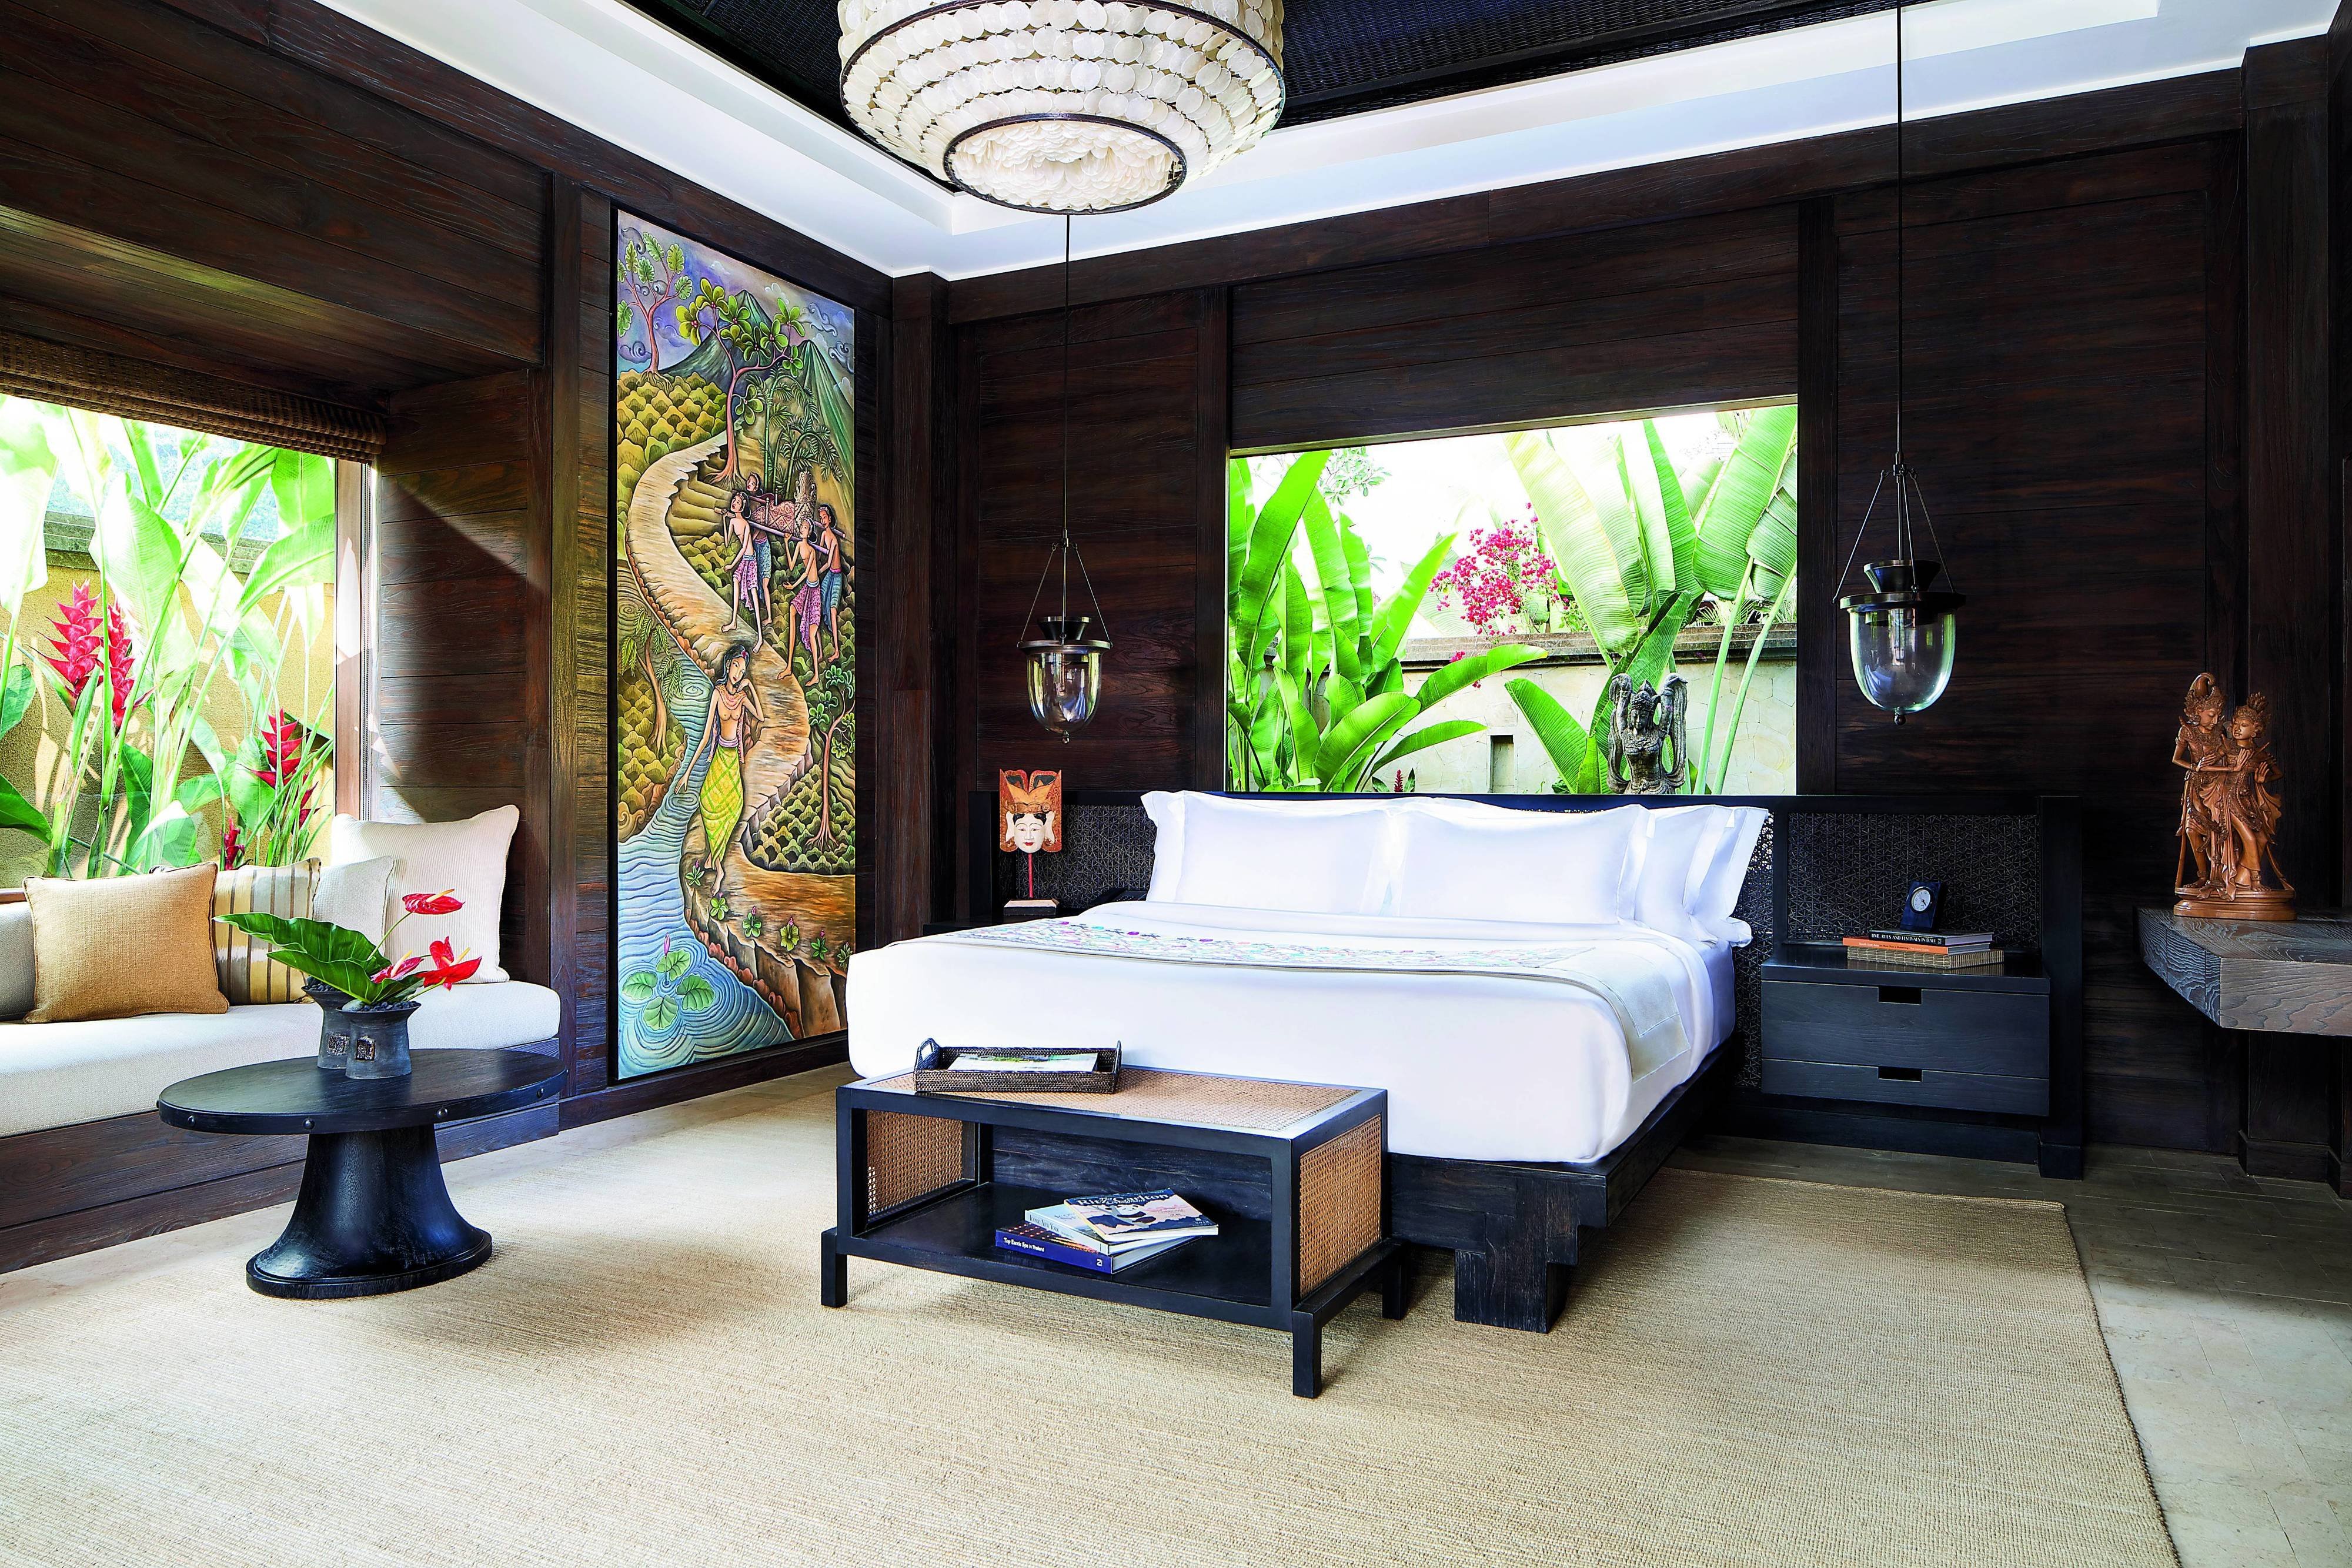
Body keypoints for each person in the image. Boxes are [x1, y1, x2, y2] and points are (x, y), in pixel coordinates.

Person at [680, 641, 765, 899]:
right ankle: (715, 861)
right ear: (728, 666)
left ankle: (717, 867)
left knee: (734, 805)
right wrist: (687, 772)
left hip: (732, 760)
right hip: (719, 756)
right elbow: (706, 736)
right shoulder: (717, 694)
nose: (739, 673)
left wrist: (750, 687)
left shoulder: (741, 698)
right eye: (736, 667)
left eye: (743, 670)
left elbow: (760, 716)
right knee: (707, 800)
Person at [723, 492, 762, 638]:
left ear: (743, 507)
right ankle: (733, 622)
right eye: (734, 500)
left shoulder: (745, 524)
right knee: (736, 579)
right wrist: (724, 520)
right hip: (745, 558)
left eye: (738, 502)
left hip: (751, 559)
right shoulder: (733, 521)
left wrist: (732, 565)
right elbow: (727, 542)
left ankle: (760, 636)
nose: (734, 503)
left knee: (753, 592)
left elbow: (745, 548)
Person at [816, 503, 848, 661]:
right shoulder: (823, 535)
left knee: (833, 610)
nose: (823, 521)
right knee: (819, 603)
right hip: (829, 574)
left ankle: (836, 650)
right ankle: (820, 651)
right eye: (821, 518)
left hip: (836, 575)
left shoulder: (834, 540)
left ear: (830, 519)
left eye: (825, 518)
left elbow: (829, 563)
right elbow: (819, 553)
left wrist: (817, 572)